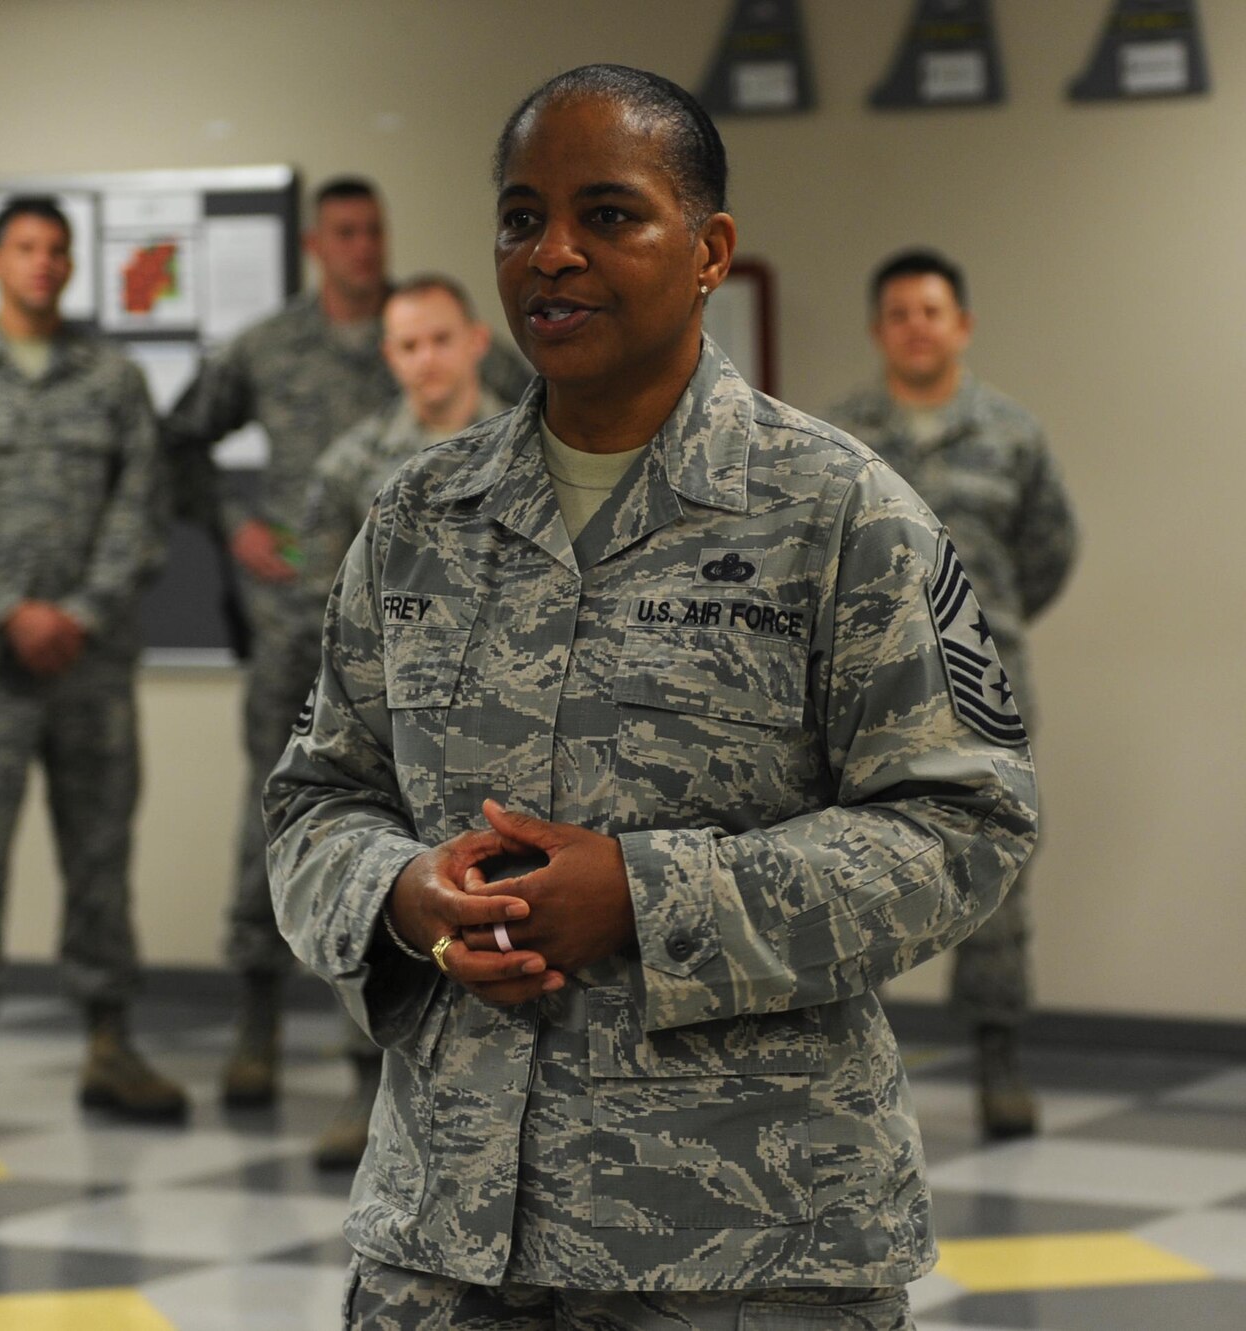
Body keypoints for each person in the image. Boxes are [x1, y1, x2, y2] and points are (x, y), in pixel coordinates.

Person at [266, 65, 1038, 1328]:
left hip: (747, 1249)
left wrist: (641, 894)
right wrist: (407, 899)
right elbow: (314, 803)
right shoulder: (415, 519)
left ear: (707, 250)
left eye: (608, 215)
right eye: (521, 219)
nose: (553, 254)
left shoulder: (839, 513)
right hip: (446, 1245)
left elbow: (961, 826)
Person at [163, 177, 531, 1111]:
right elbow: (182, 442)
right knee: (305, 827)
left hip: (483, 671)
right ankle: (259, 1022)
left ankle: (394, 1063)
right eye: (345, 233)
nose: (363, 248)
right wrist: (241, 530)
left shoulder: (488, 387)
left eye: (375, 230)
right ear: (317, 246)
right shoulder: (273, 350)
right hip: (315, 634)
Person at [0, 196, 184, 1131]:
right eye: (26, 248)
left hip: (90, 666)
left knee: (101, 856)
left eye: (58, 250)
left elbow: (141, 513)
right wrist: (9, 613)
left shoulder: (111, 380)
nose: (44, 264)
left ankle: (110, 1042)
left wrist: (80, 614)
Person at [822, 249, 1078, 1140]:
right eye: (897, 313)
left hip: (985, 694)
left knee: (998, 880)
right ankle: (858, 1071)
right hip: (868, 694)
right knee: (855, 867)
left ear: (960, 324)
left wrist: (984, 629)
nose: (916, 327)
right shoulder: (841, 439)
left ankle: (1000, 1058)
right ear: (878, 329)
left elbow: (1048, 552)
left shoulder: (1012, 433)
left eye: (931, 311)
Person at [291, 272, 514, 1169]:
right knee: (386, 885)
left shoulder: (526, 444)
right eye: (407, 345)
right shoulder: (352, 466)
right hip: (399, 724)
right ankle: (364, 1079)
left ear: (474, 342)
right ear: (389, 356)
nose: (425, 360)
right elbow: (324, 603)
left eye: (438, 339)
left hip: (513, 707)